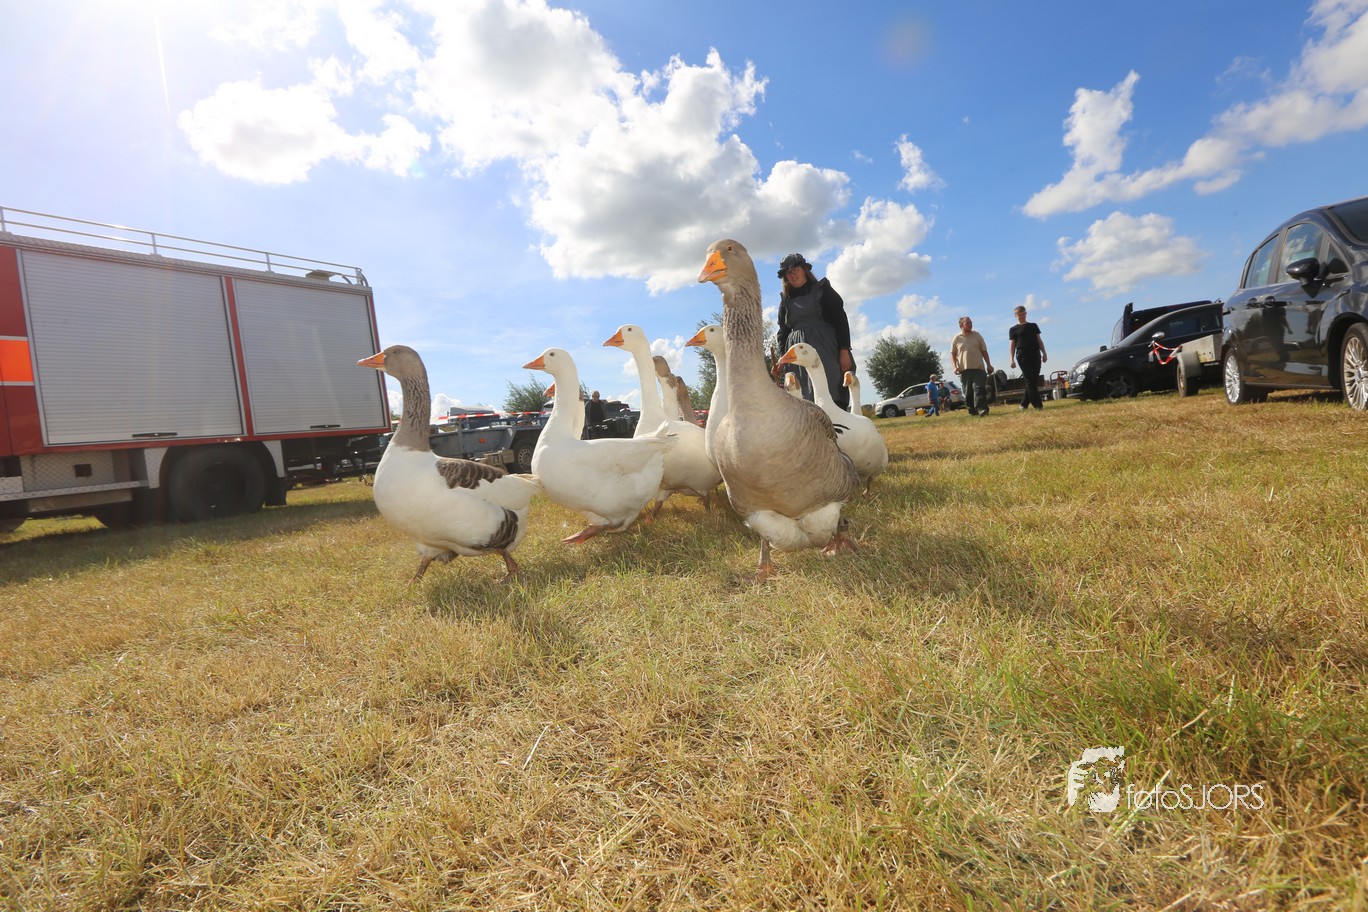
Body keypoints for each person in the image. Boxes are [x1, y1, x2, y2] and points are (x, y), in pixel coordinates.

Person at [776, 253, 854, 411]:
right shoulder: (785, 299)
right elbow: (783, 331)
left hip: (825, 348)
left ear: (804, 269)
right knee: (802, 394)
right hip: (797, 354)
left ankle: (836, 422)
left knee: (831, 384)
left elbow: (840, 319)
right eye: (788, 273)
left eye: (795, 270)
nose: (792, 275)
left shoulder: (822, 290)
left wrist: (844, 350)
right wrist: (782, 358)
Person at [951, 315, 994, 416]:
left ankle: (982, 409)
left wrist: (989, 365)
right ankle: (972, 410)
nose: (970, 324)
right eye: (967, 323)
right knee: (968, 392)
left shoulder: (977, 335)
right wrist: (954, 367)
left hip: (978, 368)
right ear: (961, 325)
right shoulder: (957, 338)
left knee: (979, 388)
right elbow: (953, 353)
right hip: (964, 370)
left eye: (971, 322)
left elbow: (984, 351)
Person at [1008, 304, 1048, 411]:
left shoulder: (1033, 326)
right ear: (1016, 316)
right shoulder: (1013, 329)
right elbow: (1012, 345)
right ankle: (1038, 405)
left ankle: (1024, 404)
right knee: (1029, 379)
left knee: (1033, 380)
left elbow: (1039, 340)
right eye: (1019, 315)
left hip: (1035, 354)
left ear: (1026, 314)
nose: (1021, 316)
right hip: (1022, 356)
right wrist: (1011, 359)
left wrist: (1044, 353)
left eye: (1023, 314)